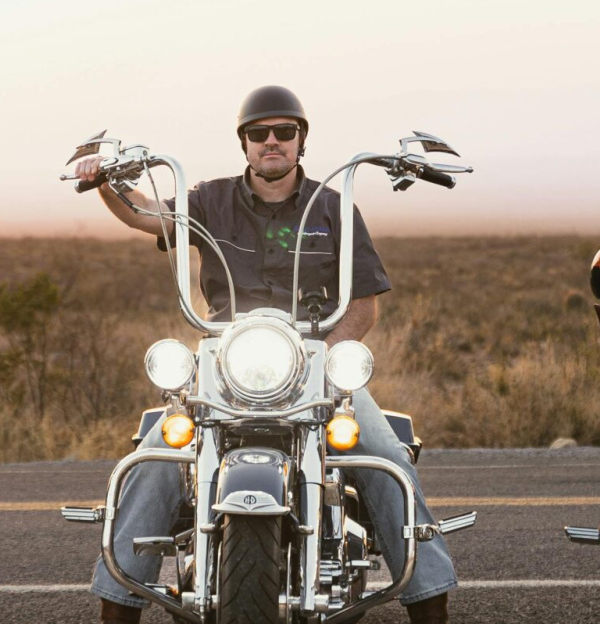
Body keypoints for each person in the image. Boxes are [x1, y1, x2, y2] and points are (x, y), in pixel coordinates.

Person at [74, 86, 457, 624]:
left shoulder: (334, 207)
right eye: (259, 134)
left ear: (301, 141)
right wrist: (103, 185)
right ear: (245, 143)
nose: (271, 142)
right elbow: (147, 214)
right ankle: (118, 605)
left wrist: (320, 358)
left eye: (284, 132)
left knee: (386, 461)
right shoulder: (209, 200)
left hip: (312, 365)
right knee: (153, 461)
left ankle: (430, 603)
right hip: (224, 364)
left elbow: (364, 306)